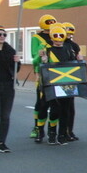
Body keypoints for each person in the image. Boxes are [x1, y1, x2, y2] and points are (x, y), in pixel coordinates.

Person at [38, 24, 76, 145]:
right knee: (54, 109)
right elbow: (39, 64)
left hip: (66, 83)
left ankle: (62, 135)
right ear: (52, 37)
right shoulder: (47, 50)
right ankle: (51, 132)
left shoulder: (69, 49)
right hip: (51, 84)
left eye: (61, 35)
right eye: (56, 35)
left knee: (65, 110)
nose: (58, 38)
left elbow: (74, 65)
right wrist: (43, 60)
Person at [30, 14, 56, 142]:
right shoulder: (37, 38)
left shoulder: (56, 37)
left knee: (55, 104)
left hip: (56, 74)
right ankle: (37, 128)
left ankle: (54, 130)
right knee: (41, 102)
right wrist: (40, 55)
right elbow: (34, 57)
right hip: (41, 74)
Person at [0, 26, 20, 153]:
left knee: (5, 116)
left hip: (7, 85)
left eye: (4, 34)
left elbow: (15, 70)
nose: (2, 36)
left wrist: (17, 62)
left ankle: (1, 142)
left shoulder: (10, 50)